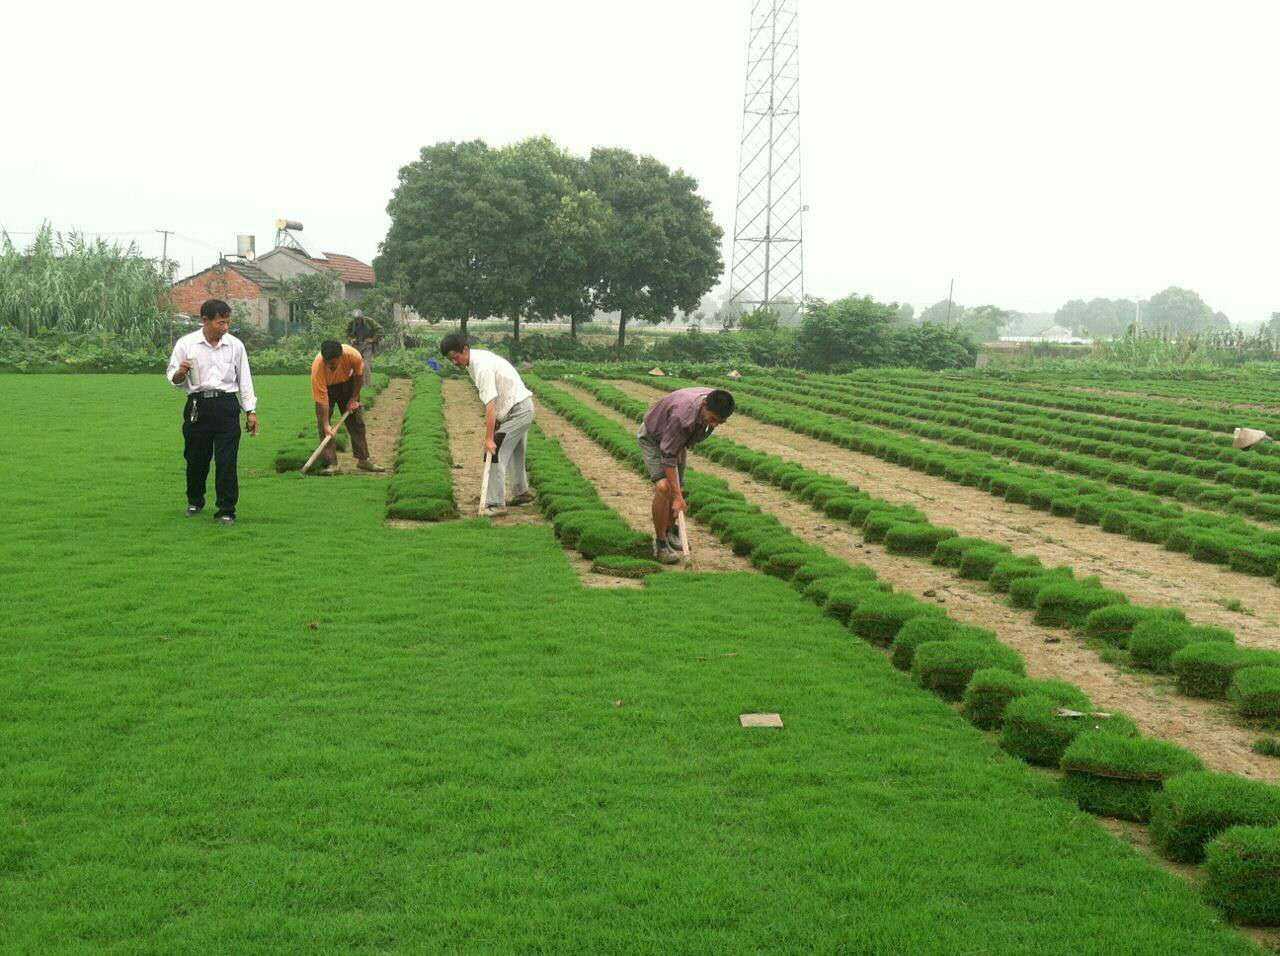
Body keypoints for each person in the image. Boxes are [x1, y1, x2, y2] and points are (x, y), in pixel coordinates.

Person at [166, 299, 260, 525]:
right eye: (220, 323)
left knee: (227, 461)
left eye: (227, 322)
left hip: (227, 405)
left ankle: (226, 509)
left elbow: (244, 379)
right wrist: (181, 371)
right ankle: (195, 500)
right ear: (205, 321)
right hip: (198, 407)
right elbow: (174, 379)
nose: (225, 327)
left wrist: (251, 411)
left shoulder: (235, 345)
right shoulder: (186, 344)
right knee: (196, 458)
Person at [440, 333, 535, 516]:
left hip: (518, 410)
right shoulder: (475, 360)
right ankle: (521, 493)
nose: (454, 362)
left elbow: (490, 405)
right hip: (518, 406)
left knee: (495, 452)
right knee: (516, 450)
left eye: (455, 357)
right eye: (450, 359)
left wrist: (489, 438)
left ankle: (495, 504)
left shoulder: (481, 366)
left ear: (465, 349)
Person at [638, 387, 735, 563]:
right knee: (665, 488)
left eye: (720, 422)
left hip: (677, 440)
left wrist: (678, 494)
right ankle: (660, 544)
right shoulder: (682, 418)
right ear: (704, 405)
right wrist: (676, 497)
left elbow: (677, 446)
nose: (713, 425)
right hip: (654, 437)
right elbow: (668, 457)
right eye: (712, 419)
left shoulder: (717, 400)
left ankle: (669, 530)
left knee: (678, 489)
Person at [311, 340, 386, 475]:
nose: (330, 366)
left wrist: (354, 398)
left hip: (347, 385)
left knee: (356, 422)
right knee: (323, 426)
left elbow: (359, 376)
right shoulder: (318, 367)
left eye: (333, 363)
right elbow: (322, 401)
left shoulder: (353, 355)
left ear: (341, 357)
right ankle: (332, 464)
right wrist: (327, 424)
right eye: (328, 363)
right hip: (327, 389)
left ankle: (363, 460)